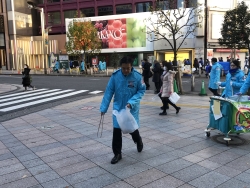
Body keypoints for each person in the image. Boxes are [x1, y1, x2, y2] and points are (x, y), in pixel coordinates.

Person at [100, 56, 146, 164]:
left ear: (131, 67)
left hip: (131, 108)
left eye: (128, 68)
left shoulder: (138, 77)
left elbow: (141, 91)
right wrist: (103, 107)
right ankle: (117, 154)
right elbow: (109, 92)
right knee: (116, 130)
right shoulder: (115, 76)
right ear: (121, 67)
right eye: (123, 68)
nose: (125, 70)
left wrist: (132, 102)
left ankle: (138, 140)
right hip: (118, 108)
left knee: (131, 128)